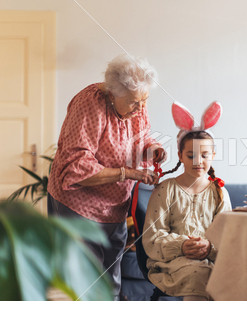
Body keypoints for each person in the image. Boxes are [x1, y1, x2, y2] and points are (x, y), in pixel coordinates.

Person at [47, 54, 166, 300]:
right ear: (113, 94)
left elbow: (140, 138)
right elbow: (77, 166)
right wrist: (128, 173)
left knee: (111, 278)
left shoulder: (135, 104)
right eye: (135, 101)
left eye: (145, 100)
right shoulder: (89, 105)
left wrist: (152, 149)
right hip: (78, 204)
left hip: (115, 205)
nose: (141, 107)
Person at [142, 101, 231, 301]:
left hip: (213, 261)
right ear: (181, 155)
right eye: (191, 156)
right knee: (197, 274)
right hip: (172, 263)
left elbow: (229, 237)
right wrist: (181, 246)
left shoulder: (219, 192)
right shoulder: (165, 190)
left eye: (205, 155)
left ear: (213, 156)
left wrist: (210, 248)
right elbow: (152, 238)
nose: (198, 161)